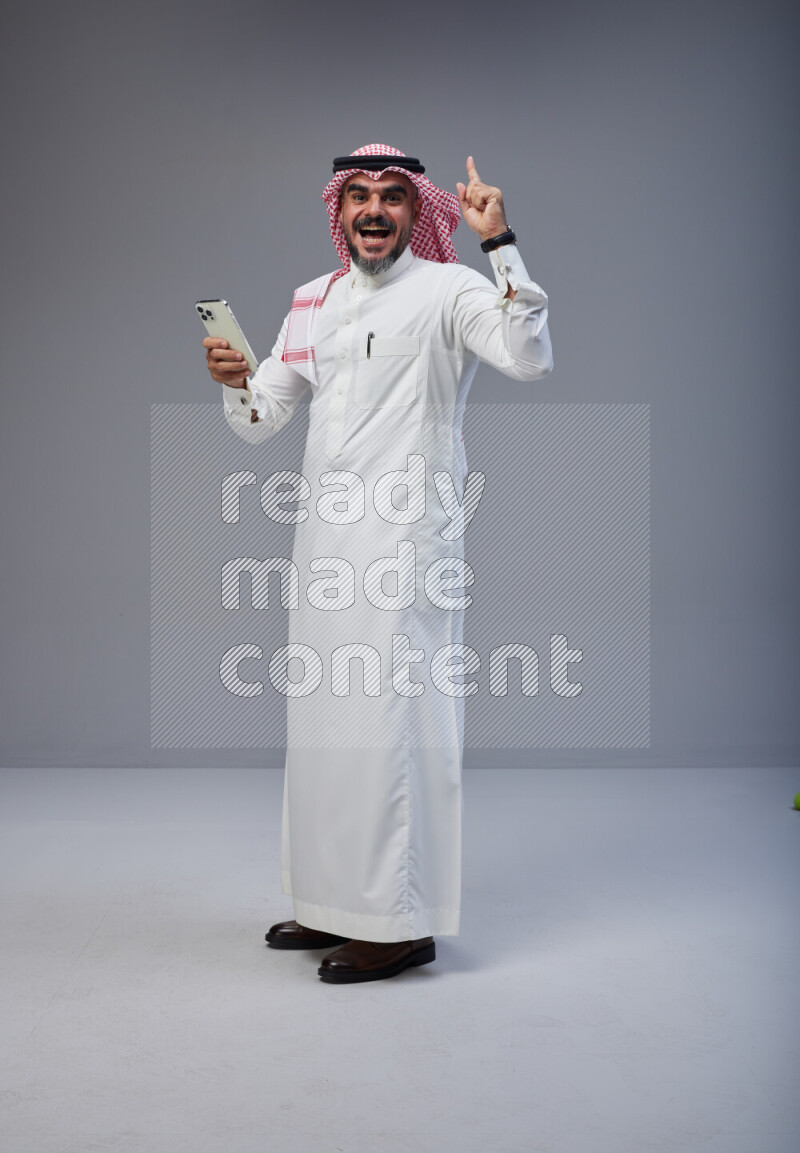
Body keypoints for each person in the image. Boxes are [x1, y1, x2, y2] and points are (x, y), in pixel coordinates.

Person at [203, 144, 553, 984]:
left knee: (394, 729)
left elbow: (530, 355)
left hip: (406, 547)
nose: (372, 211)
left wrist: (499, 241)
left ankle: (399, 923)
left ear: (414, 209)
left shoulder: (450, 290)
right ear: (338, 208)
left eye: (392, 197)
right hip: (324, 548)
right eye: (357, 195)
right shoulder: (310, 300)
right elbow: (261, 420)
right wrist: (231, 378)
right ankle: (335, 906)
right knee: (327, 729)